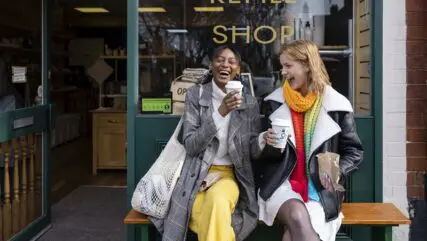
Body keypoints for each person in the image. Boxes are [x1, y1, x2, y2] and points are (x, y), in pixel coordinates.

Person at [150, 45, 263, 241]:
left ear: (238, 69)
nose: (224, 64)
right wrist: (221, 112)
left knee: (218, 202)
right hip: (196, 175)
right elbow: (192, 145)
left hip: (229, 175)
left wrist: (263, 140)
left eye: (231, 61)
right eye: (219, 59)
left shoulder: (250, 103)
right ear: (211, 65)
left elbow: (251, 150)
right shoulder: (196, 95)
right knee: (213, 214)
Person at [256, 40, 363, 241]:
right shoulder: (273, 103)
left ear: (307, 65)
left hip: (320, 190)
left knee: (291, 235)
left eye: (288, 66)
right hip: (281, 183)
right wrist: (268, 144)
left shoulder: (336, 105)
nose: (283, 72)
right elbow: (263, 158)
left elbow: (354, 152)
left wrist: (336, 170)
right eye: (282, 66)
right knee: (297, 215)